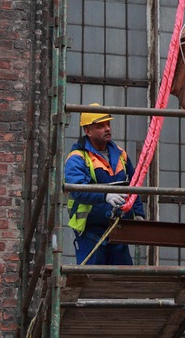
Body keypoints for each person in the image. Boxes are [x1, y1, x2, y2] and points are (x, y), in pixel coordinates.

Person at [65, 104, 145, 265]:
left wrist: (138, 213)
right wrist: (105, 195)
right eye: (100, 126)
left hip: (118, 230)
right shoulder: (77, 158)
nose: (107, 129)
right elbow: (77, 190)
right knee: (91, 281)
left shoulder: (121, 154)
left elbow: (133, 185)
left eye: (108, 124)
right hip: (91, 232)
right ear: (87, 131)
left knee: (121, 282)